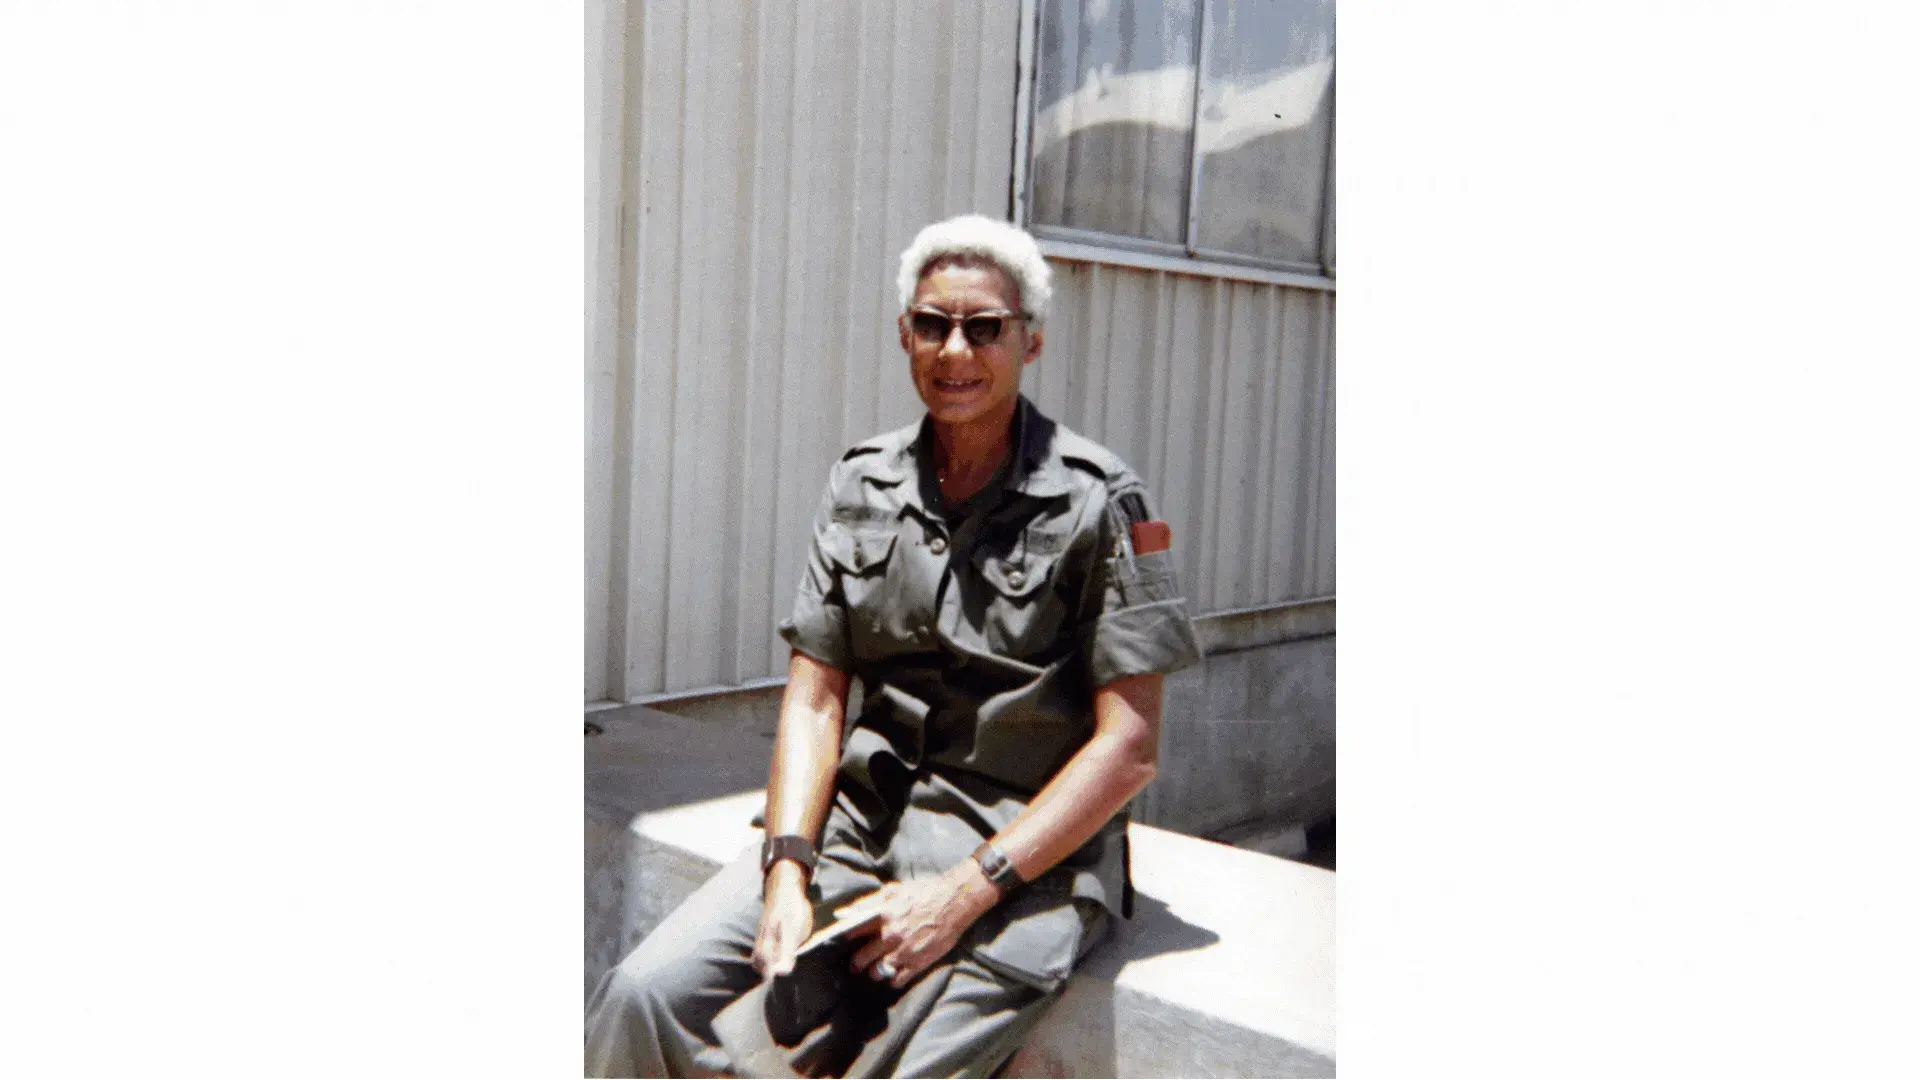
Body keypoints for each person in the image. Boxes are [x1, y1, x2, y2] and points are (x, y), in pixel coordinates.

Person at [585, 214, 1201, 1078]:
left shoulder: (1104, 502)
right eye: (932, 324)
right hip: (858, 826)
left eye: (984, 328)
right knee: (639, 997)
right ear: (904, 334)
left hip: (1015, 855)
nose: (955, 352)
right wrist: (788, 875)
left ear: (1030, 343)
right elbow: (815, 696)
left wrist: (959, 895)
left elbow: (1129, 748)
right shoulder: (863, 481)